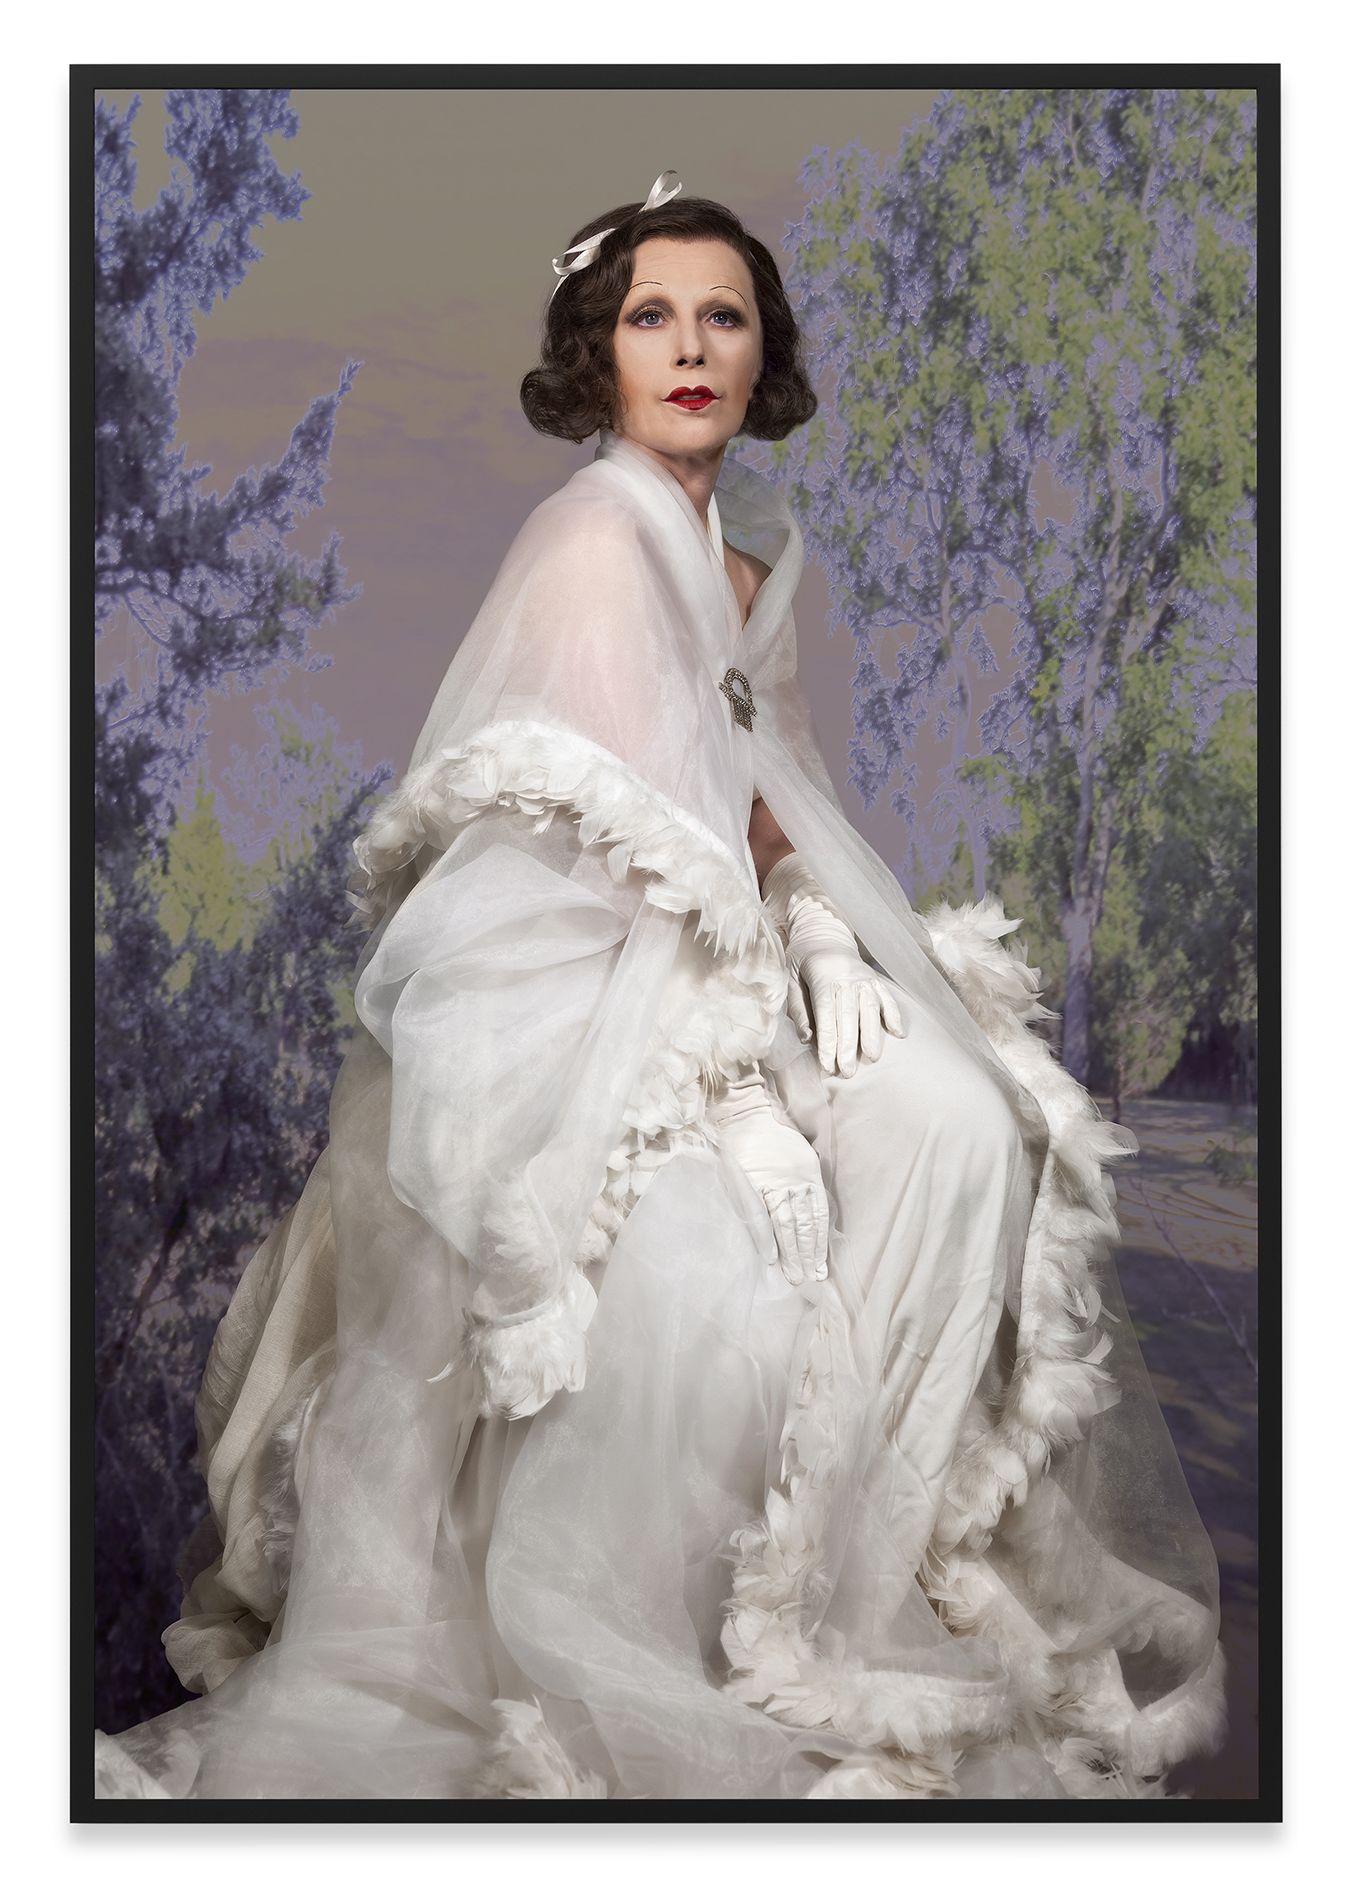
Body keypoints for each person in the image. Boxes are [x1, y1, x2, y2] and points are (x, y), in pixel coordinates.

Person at [93, 172, 1227, 1803]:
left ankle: (859, 1577)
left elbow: (769, 804)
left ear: (762, 358)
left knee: (960, 1124)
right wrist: (746, 1085)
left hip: (743, 960)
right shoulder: (589, 534)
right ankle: (726, 1640)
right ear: (599, 355)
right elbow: (615, 855)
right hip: (581, 999)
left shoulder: (755, 561)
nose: (688, 347)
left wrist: (822, 931)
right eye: (650, 317)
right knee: (708, 1280)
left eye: (722, 317)